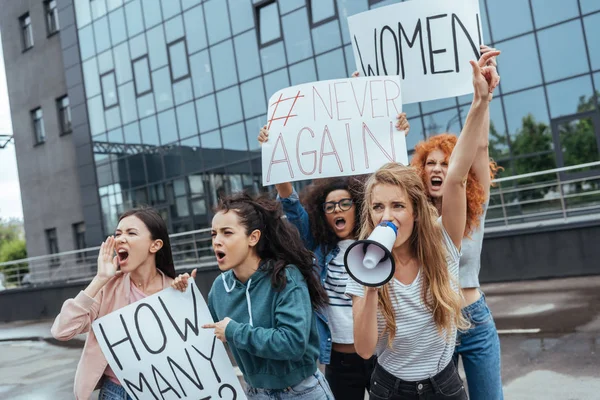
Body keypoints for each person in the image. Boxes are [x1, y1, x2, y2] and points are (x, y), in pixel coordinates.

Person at [346, 49, 500, 400]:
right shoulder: (360, 264)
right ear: (368, 214)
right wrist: (370, 285)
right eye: (378, 207)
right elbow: (366, 350)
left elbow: (458, 178)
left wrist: (480, 102)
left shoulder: (444, 243)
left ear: (417, 212)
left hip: (444, 386)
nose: (387, 215)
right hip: (390, 389)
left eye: (398, 205)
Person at [256, 116, 410, 400]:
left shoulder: (380, 241)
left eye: (344, 203)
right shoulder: (318, 249)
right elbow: (290, 203)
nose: (337, 209)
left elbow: (397, 190)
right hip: (339, 362)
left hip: (382, 356)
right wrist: (273, 152)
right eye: (329, 206)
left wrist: (393, 134)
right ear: (322, 214)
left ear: (358, 205)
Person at [171, 192, 334, 399]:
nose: (217, 241)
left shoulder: (286, 277)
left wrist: (234, 331)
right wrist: (184, 299)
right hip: (255, 393)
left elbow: (292, 343)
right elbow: (203, 341)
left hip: (303, 391)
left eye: (227, 233)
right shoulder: (219, 288)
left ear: (253, 237)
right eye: (214, 234)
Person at [410, 44, 503, 400]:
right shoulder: (413, 217)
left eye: (445, 163)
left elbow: (478, 149)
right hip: (434, 324)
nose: (437, 169)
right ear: (421, 170)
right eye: (429, 163)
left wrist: (485, 95)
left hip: (475, 319)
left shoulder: (472, 209)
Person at [51, 208, 176, 400]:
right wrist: (100, 279)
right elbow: (62, 330)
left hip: (165, 391)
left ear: (155, 245)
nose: (120, 239)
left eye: (131, 233)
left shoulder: (175, 288)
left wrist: (184, 296)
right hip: (116, 392)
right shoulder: (107, 288)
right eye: (118, 234)